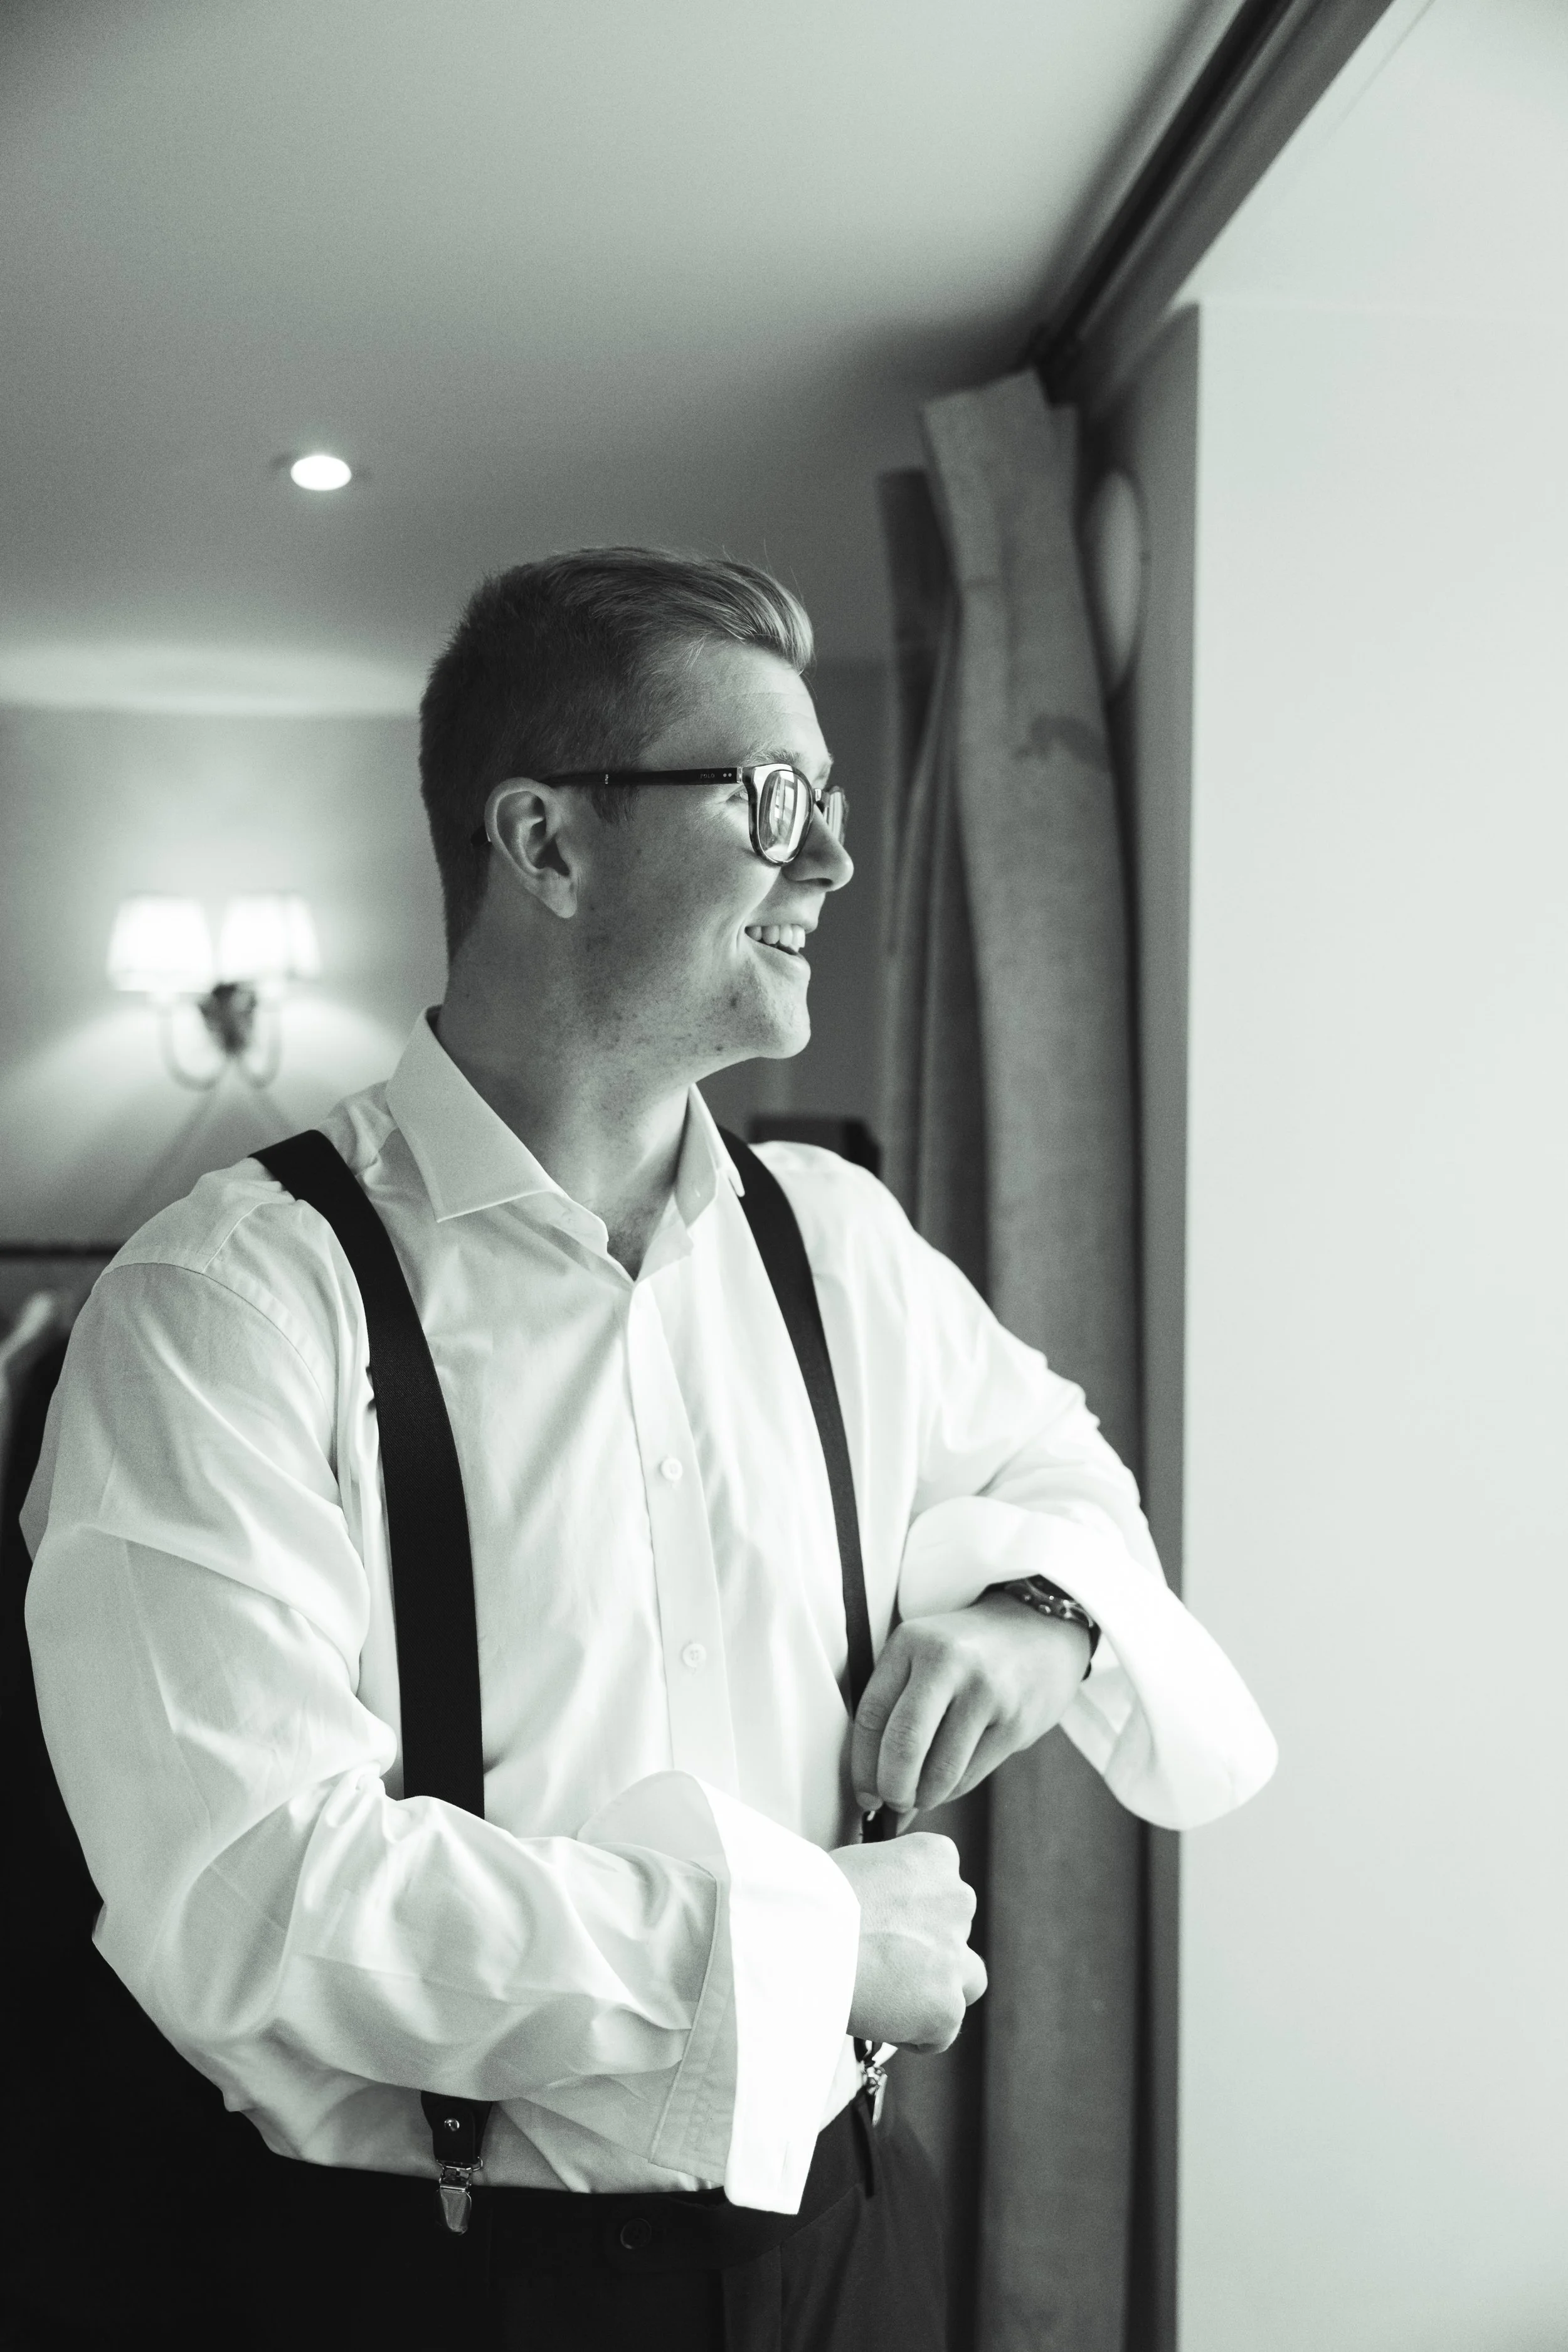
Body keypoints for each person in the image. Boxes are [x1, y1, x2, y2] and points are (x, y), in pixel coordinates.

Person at [23, 548, 1275, 2351]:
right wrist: (808, 1949)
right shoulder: (225, 1304)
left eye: (832, 804)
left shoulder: (837, 1238)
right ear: (544, 842)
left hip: (847, 2245)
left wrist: (1031, 1612)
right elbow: (256, 1895)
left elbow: (1072, 1477)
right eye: (772, 800)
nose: (830, 862)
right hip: (434, 2287)